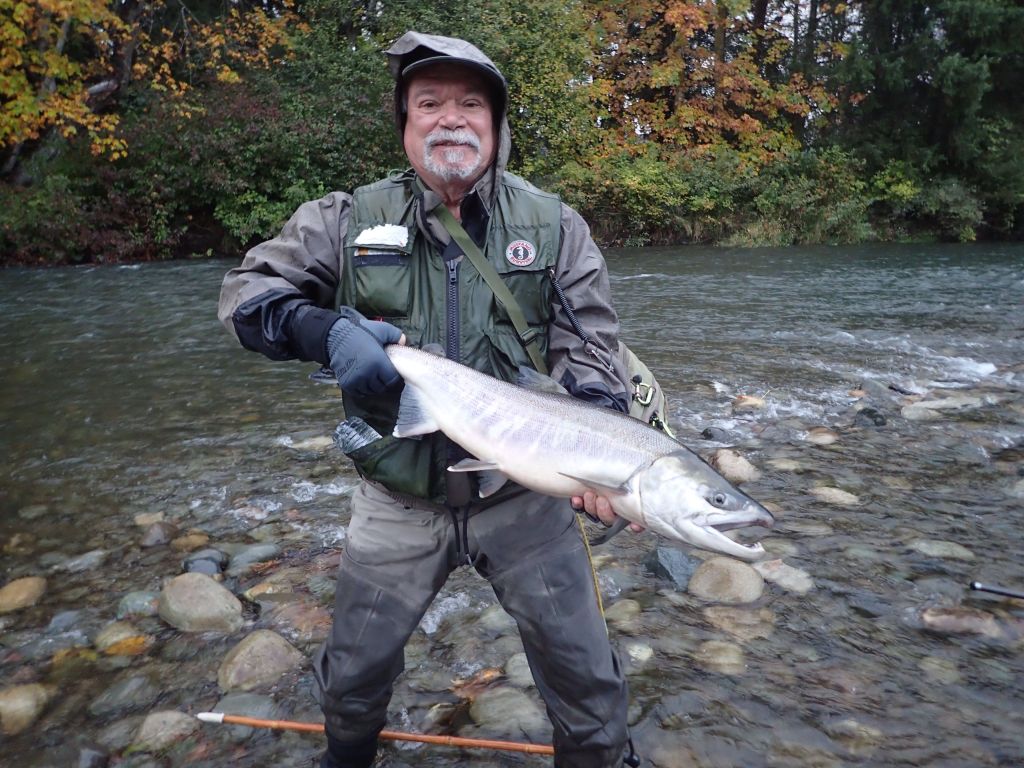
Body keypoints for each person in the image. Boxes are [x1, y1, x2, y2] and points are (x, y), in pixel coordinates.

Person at [218, 30, 639, 768]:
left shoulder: (554, 228)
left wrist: (603, 447)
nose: (451, 119)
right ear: (405, 124)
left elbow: (592, 353)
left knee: (589, 687)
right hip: (398, 495)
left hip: (525, 498)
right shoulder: (345, 220)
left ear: (497, 125)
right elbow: (246, 296)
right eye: (429, 103)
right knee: (352, 681)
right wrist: (324, 332)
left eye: (471, 104)